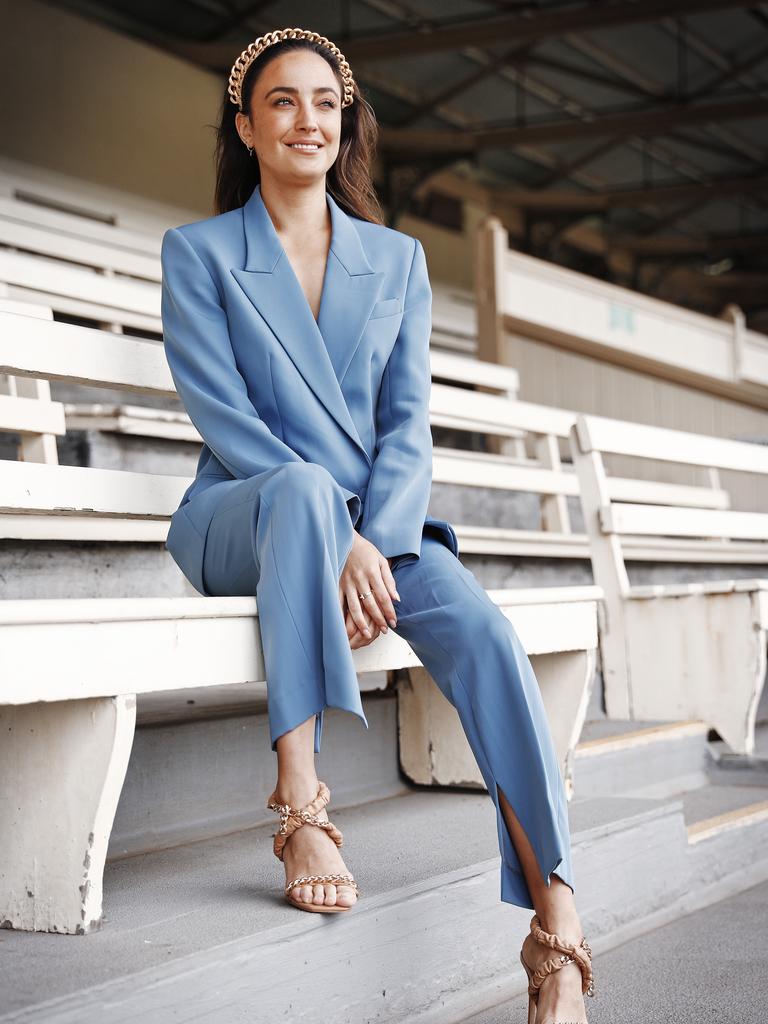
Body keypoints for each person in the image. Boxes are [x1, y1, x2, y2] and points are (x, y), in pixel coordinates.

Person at [160, 27, 594, 1022]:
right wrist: (335, 535)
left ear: (345, 122)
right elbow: (223, 417)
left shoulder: (396, 262)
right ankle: (301, 807)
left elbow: (409, 424)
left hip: (380, 528)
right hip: (242, 514)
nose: (306, 118)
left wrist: (376, 536)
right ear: (246, 125)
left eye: (325, 101)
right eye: (281, 101)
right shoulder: (199, 253)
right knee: (307, 493)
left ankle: (557, 923)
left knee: (484, 632)